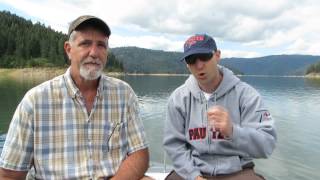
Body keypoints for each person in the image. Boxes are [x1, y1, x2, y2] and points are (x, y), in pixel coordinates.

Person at [0, 15, 150, 180]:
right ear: (68, 49)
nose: (94, 53)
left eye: (101, 45)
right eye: (85, 43)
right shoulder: (35, 101)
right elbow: (9, 175)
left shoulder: (124, 94)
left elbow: (140, 155)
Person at [163, 34, 277, 180]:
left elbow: (266, 145)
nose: (199, 65)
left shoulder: (246, 95)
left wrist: (233, 131)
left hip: (237, 171)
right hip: (191, 170)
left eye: (204, 56)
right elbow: (174, 145)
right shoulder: (178, 98)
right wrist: (193, 176)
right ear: (187, 64)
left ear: (217, 55)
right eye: (191, 60)